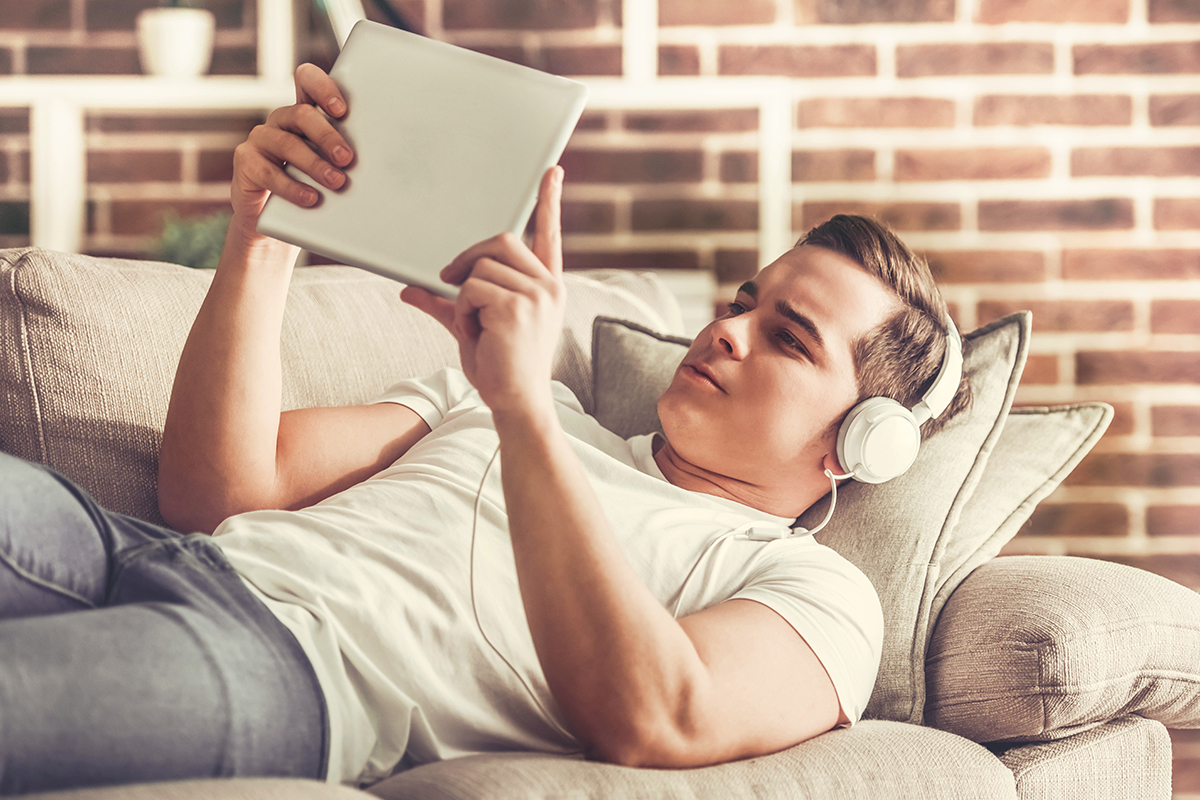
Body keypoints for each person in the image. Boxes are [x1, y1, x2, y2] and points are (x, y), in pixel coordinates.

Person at [0, 63, 969, 794]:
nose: (727, 329)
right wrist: (265, 234)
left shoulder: (816, 593)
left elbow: (657, 716)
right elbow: (215, 495)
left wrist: (521, 410)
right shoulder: (503, 403)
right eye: (744, 302)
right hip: (144, 552)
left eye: (787, 339)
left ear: (861, 439)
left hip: (294, 667)